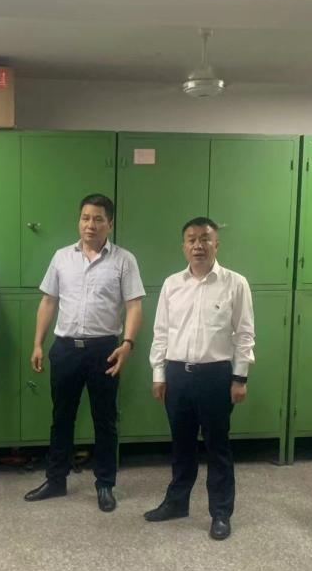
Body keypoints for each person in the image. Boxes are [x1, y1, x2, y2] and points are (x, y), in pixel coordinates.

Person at [25, 194, 145, 512]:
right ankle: (56, 480)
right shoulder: (62, 257)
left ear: (110, 223)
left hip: (105, 350)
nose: (90, 225)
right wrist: (37, 343)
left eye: (98, 219)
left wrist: (127, 344)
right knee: (61, 417)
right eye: (85, 218)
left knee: (105, 420)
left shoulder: (124, 260)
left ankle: (105, 484)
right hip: (65, 349)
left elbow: (134, 305)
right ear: (79, 220)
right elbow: (48, 301)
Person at [145, 217, 255, 541]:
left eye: (205, 239)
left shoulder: (235, 283)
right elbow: (161, 332)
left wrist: (240, 378)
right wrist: (158, 373)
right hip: (178, 374)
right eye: (191, 239)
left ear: (216, 244)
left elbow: (245, 334)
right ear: (183, 246)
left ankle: (220, 513)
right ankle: (176, 502)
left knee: (217, 446)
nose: (198, 245)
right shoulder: (172, 284)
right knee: (181, 444)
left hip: (216, 376)